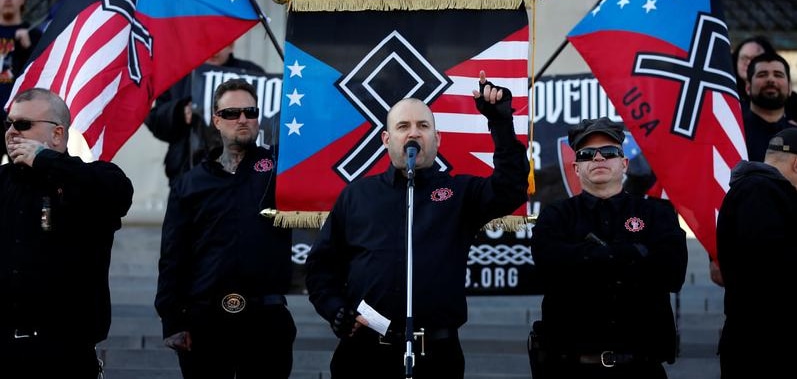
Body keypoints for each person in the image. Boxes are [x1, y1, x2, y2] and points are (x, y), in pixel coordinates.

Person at [304, 71, 529, 379]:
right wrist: (335, 310)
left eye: (423, 126)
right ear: (386, 139)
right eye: (403, 126)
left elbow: (510, 189)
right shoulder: (358, 195)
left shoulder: (459, 193)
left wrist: (501, 122)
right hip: (364, 356)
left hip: (437, 356)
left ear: (437, 139)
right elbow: (321, 267)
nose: (413, 133)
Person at [155, 78, 295, 379]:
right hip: (205, 321)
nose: (242, 119)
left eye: (250, 112)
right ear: (217, 120)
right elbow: (172, 256)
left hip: (267, 318)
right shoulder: (190, 183)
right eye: (231, 113)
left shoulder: (282, 169)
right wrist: (171, 320)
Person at [528, 117, 687, 379]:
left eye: (609, 152)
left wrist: (583, 258)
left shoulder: (657, 213)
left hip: (641, 369)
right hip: (569, 369)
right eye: (588, 154)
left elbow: (672, 273)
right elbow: (549, 270)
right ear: (577, 168)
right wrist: (635, 252)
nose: (599, 158)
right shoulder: (555, 216)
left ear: (624, 163)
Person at [0, 87, 133, 377]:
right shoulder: (4, 181)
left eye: (23, 125)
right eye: (8, 123)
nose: (11, 132)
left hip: (63, 352)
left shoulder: (90, 180)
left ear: (57, 134)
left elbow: (118, 193)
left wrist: (45, 159)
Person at [716, 127, 797, 379]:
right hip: (762, 347)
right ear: (796, 164)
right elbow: (768, 264)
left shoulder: (762, 191)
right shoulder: (760, 191)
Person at [145, 42, 266, 185]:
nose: (214, 51)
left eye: (221, 42)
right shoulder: (178, 74)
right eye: (208, 42)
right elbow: (154, 120)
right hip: (187, 173)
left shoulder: (253, 73)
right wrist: (180, 112)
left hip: (244, 174)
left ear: (231, 46)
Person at [0, 0, 42, 160]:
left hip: (20, 120)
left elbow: (41, 75)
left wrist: (28, 48)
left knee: (21, 172)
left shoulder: (34, 36)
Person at [742, 51, 795, 161]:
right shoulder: (733, 133)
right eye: (762, 75)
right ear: (748, 87)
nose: (771, 79)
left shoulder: (795, 134)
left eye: (778, 75)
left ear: (790, 88)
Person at [731, 35, 774, 107]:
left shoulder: (788, 101)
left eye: (755, 58)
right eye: (744, 58)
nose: (748, 62)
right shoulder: (727, 95)